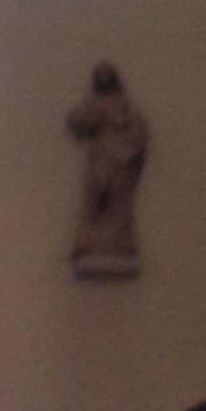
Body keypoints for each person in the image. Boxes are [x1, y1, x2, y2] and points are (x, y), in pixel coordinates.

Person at [66, 62, 148, 275]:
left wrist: (127, 150)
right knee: (93, 206)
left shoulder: (126, 108)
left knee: (118, 207)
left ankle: (119, 246)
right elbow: (78, 121)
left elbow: (138, 132)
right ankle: (89, 245)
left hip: (118, 166)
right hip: (101, 163)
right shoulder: (95, 105)